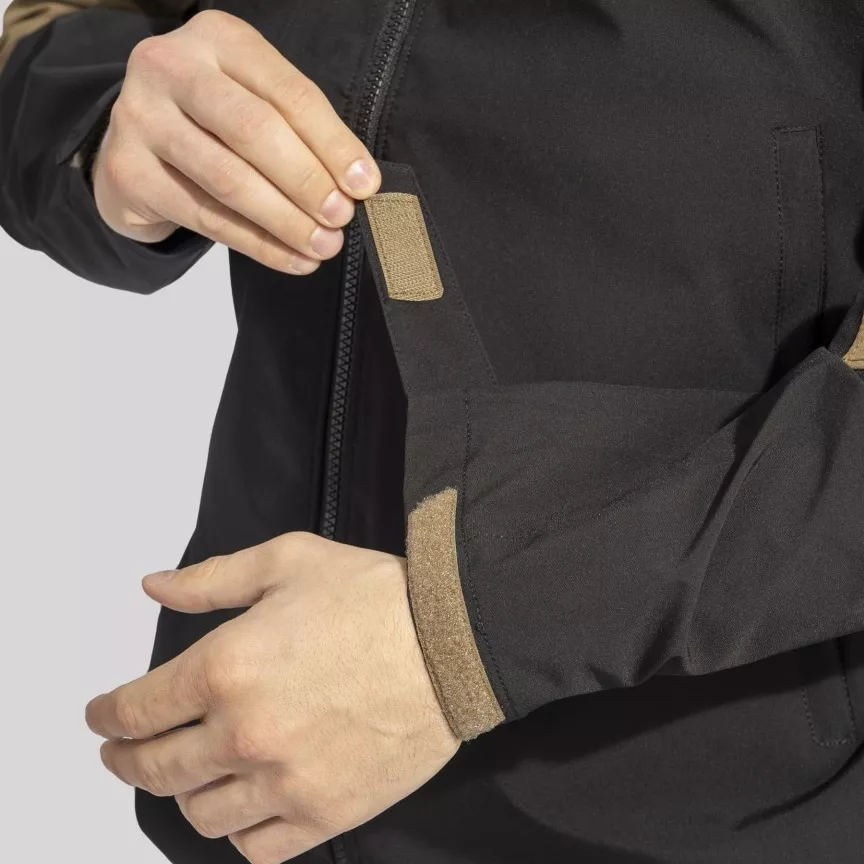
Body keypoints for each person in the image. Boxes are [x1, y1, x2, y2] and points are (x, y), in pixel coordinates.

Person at [2, 2, 864, 862]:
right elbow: (55, 33)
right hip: (259, 773)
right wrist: (98, 121)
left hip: (704, 806)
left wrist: (463, 639)